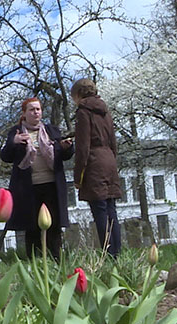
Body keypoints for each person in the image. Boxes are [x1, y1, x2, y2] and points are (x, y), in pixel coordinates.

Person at [0, 97, 74, 261]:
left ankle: (56, 260)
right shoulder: (17, 131)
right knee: (32, 226)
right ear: (24, 113)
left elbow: (64, 155)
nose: (36, 112)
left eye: (38, 109)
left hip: (51, 185)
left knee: (53, 225)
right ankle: (34, 262)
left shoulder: (51, 130)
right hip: (28, 188)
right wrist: (14, 142)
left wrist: (67, 147)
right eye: (32, 109)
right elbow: (5, 156)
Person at [71, 78, 122, 258]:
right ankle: (118, 254)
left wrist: (78, 178)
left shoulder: (83, 112)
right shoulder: (105, 111)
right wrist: (110, 161)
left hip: (94, 164)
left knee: (100, 212)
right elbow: (114, 143)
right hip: (109, 160)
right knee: (111, 210)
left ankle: (108, 255)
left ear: (78, 95)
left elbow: (82, 148)